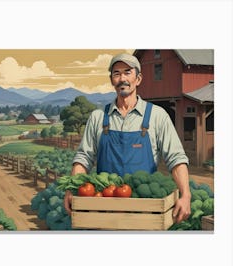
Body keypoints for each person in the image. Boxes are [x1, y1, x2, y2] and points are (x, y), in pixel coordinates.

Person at [64, 53, 191, 224]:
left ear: (138, 79)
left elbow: (176, 158)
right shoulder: (98, 117)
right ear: (111, 80)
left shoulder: (157, 116)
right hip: (104, 209)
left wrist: (186, 194)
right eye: (116, 73)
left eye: (127, 72)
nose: (122, 78)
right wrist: (71, 189)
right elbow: (83, 158)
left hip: (146, 209)